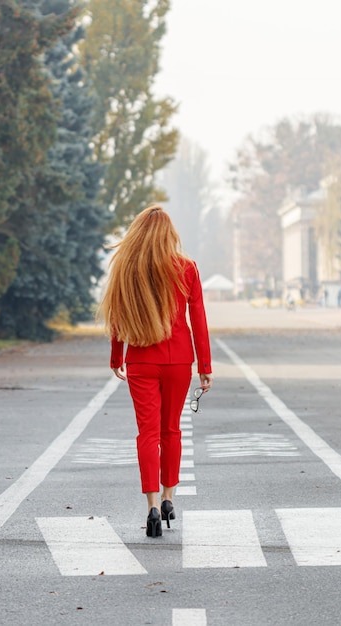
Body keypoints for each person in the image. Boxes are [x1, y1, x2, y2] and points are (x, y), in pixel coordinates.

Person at [96, 205, 213, 538]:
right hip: (178, 360)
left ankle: (150, 507)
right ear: (169, 235)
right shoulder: (186, 268)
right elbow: (198, 319)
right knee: (171, 431)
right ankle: (168, 498)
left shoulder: (127, 268)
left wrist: (116, 355)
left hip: (141, 360)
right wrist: (205, 365)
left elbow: (117, 316)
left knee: (147, 433)